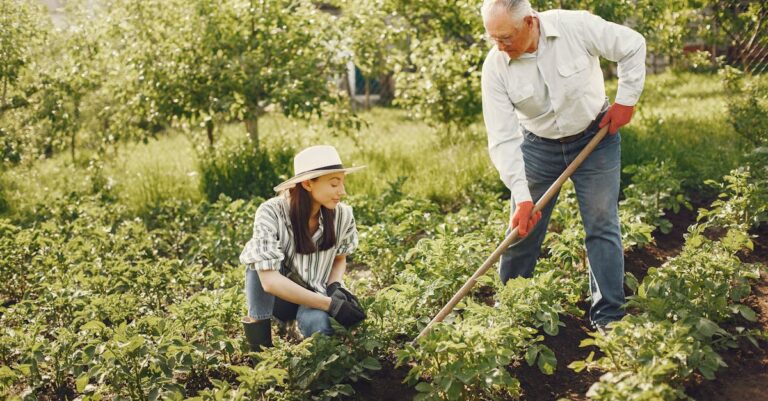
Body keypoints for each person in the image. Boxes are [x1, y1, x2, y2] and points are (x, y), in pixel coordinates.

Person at [479, 0, 646, 331]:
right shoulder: (495, 67)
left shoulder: (575, 27)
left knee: (601, 224)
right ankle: (510, 312)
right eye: (492, 38)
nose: (499, 46)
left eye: (506, 38)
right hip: (538, 148)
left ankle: (609, 317)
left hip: (594, 138)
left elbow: (632, 45)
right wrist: (521, 193)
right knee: (523, 229)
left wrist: (626, 100)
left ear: (530, 22)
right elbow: (503, 137)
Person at [239, 145, 367, 352]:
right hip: (280, 299)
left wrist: (334, 287)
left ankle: (318, 359)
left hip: (316, 293)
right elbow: (269, 282)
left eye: (342, 182)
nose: (342, 191)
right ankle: (259, 351)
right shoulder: (271, 212)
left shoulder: (343, 215)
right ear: (307, 183)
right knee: (256, 265)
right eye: (334, 184)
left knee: (320, 326)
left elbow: (339, 258)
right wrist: (330, 305)